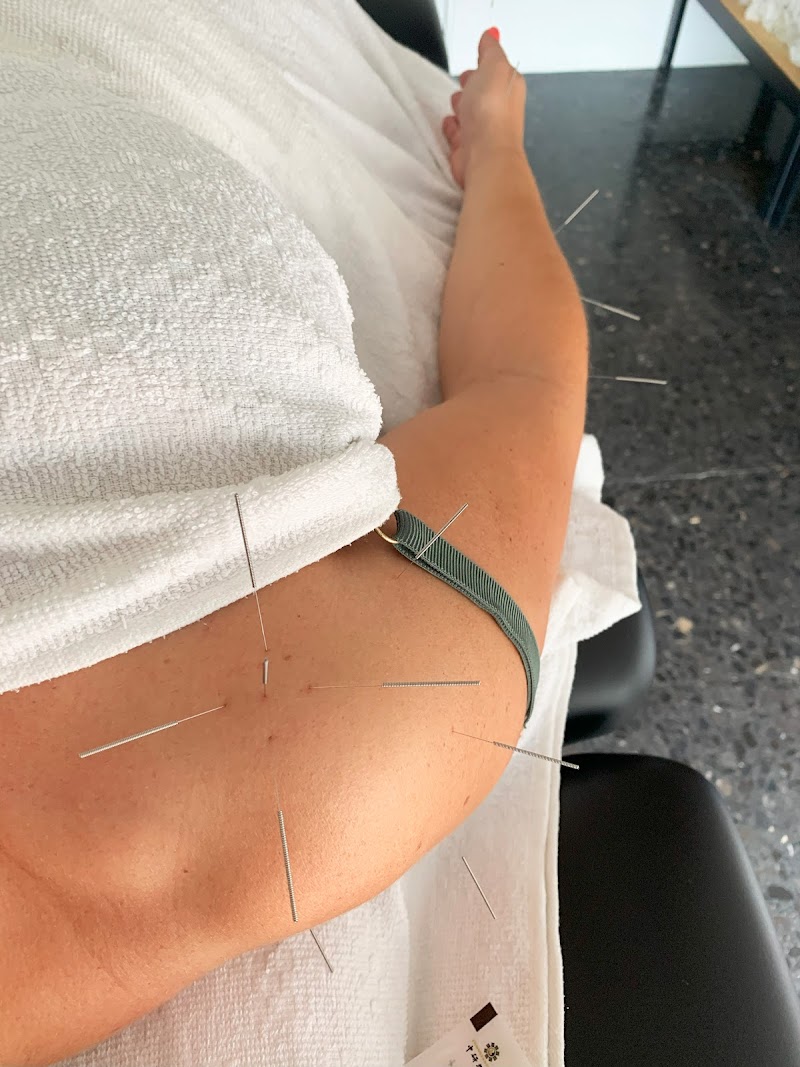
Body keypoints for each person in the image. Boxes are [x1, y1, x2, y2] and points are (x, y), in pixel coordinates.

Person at [0, 25, 587, 1066]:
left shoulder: (311, 762)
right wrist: (499, 145)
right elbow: (522, 384)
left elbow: (525, 385)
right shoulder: (285, 772)